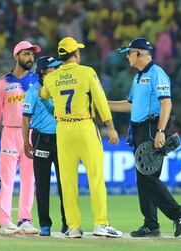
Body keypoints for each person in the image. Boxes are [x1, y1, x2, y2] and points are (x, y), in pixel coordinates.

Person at [40, 37, 122, 238]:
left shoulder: (51, 78)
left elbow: (43, 95)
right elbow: (101, 101)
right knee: (95, 178)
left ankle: (73, 227)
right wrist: (110, 127)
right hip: (84, 126)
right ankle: (101, 224)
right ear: (75, 54)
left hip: (63, 130)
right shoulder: (87, 72)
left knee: (68, 182)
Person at [109, 37, 181, 238]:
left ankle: (178, 212)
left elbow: (166, 104)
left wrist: (160, 131)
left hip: (151, 127)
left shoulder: (157, 73)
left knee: (147, 177)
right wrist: (103, 104)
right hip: (138, 129)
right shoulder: (138, 77)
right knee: (143, 177)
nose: (127, 56)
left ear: (139, 53)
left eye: (129, 52)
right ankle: (151, 225)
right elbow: (130, 105)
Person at [0, 41, 40, 235]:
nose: (30, 59)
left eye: (32, 55)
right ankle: (4, 222)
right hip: (9, 132)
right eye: (26, 54)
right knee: (6, 179)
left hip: (31, 133)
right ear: (16, 56)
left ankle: (25, 220)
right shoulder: (3, 82)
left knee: (29, 179)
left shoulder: (37, 81)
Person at [22, 56, 67, 236]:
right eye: (53, 68)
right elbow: (25, 118)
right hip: (41, 139)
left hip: (63, 139)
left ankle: (68, 224)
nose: (57, 70)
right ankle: (45, 225)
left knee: (66, 184)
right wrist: (26, 142)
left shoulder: (61, 89)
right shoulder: (33, 92)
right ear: (43, 72)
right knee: (42, 184)